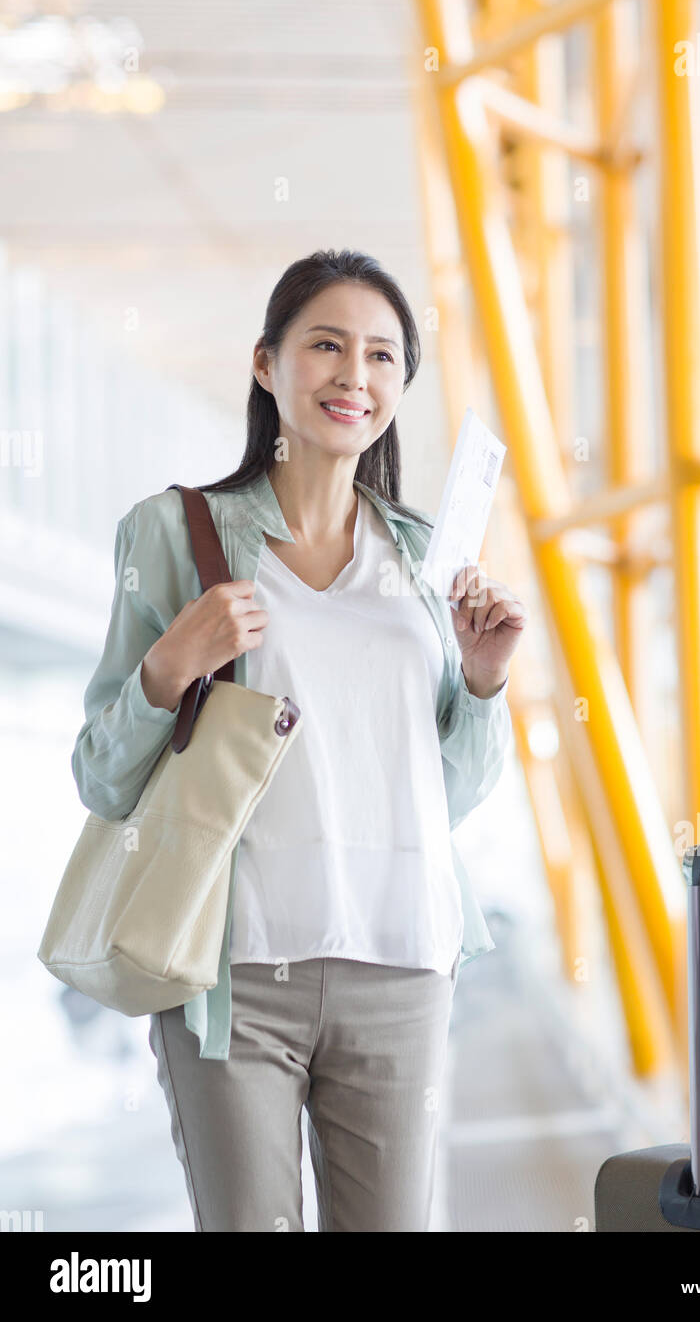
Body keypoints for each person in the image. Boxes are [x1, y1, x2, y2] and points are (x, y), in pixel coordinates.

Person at [71, 248, 526, 1231]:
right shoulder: (175, 534)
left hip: (403, 964)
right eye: (325, 345)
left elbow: (441, 794)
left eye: (381, 356)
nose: (352, 376)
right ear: (265, 363)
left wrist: (482, 682)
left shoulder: (422, 563)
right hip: (236, 979)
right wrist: (169, 668)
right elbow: (102, 775)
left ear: (400, 387)